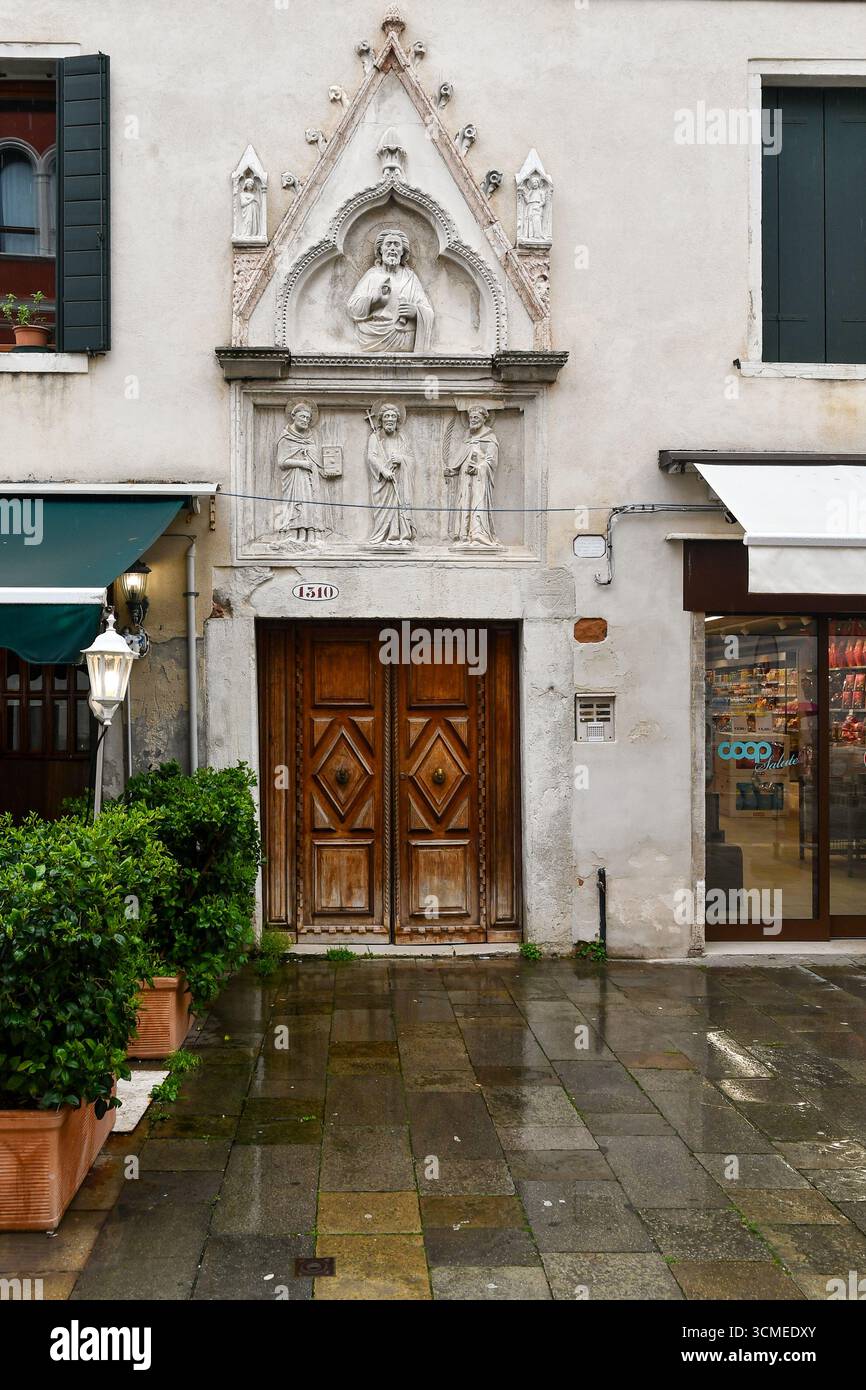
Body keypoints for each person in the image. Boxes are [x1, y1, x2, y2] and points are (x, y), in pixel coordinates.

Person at [347, 228, 434, 353]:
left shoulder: (410, 277)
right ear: (380, 250)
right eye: (388, 244)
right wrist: (375, 301)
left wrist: (416, 312)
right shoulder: (372, 275)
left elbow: (428, 311)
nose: (392, 248)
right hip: (371, 337)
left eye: (397, 245)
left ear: (402, 251)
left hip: (402, 338)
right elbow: (352, 307)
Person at [274, 402, 327, 544]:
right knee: (295, 505)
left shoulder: (310, 437)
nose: (305, 420)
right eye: (302, 417)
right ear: (293, 416)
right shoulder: (286, 438)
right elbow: (281, 462)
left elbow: (316, 458)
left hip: (310, 479)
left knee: (309, 505)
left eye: (308, 419)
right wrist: (301, 463)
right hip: (293, 480)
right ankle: (292, 534)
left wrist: (322, 467)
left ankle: (309, 535)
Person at [446, 406, 500, 547]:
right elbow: (461, 460)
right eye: (471, 418)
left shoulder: (490, 439)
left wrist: (478, 469)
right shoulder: (468, 439)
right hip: (465, 481)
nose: (473, 420)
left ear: (484, 419)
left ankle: (479, 534)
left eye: (476, 417)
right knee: (464, 504)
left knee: (478, 505)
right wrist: (453, 471)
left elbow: (491, 462)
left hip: (479, 481)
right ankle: (464, 535)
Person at [367, 403, 416, 544]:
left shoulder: (402, 438)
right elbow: (371, 457)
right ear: (381, 420)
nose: (390, 419)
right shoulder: (375, 437)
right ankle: (385, 534)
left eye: (393, 416)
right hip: (383, 482)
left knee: (400, 506)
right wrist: (383, 470)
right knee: (385, 510)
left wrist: (402, 460)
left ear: (397, 420)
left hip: (400, 481)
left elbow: (411, 459)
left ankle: (401, 535)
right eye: (386, 416)